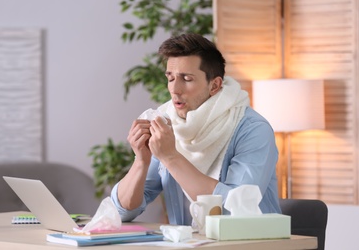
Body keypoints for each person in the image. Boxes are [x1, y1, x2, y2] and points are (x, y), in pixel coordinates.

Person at [111, 33, 281, 225]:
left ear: (214, 85)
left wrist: (171, 157)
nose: (175, 89)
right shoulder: (167, 124)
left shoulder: (252, 130)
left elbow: (236, 211)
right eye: (170, 77)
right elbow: (120, 212)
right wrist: (141, 161)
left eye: (187, 78)